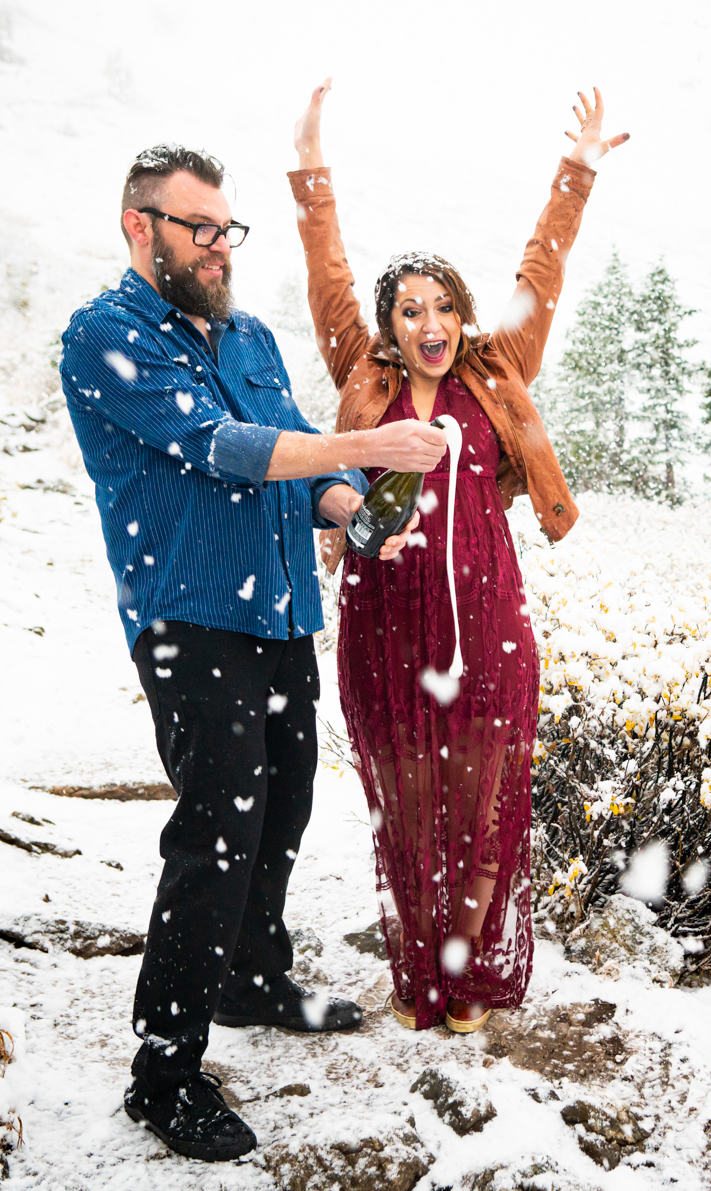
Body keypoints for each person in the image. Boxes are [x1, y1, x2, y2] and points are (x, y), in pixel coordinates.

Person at [58, 144, 449, 1161]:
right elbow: (225, 447)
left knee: (282, 801)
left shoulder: (253, 337)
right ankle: (165, 1068)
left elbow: (291, 459)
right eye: (199, 227)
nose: (219, 246)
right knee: (214, 829)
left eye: (228, 228)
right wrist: (365, 449)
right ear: (140, 227)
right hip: (190, 614)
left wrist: (356, 512)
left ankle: (251, 975)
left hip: (279, 612)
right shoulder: (106, 334)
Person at [290, 80, 628, 1034]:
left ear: (461, 313)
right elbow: (329, 275)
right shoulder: (364, 370)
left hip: (487, 620)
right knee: (407, 805)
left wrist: (578, 172)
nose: (427, 322)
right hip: (383, 618)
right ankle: (419, 974)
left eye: (442, 306)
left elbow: (544, 267)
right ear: (390, 326)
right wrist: (311, 171)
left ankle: (471, 972)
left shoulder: (496, 367)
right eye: (409, 310)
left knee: (481, 807)